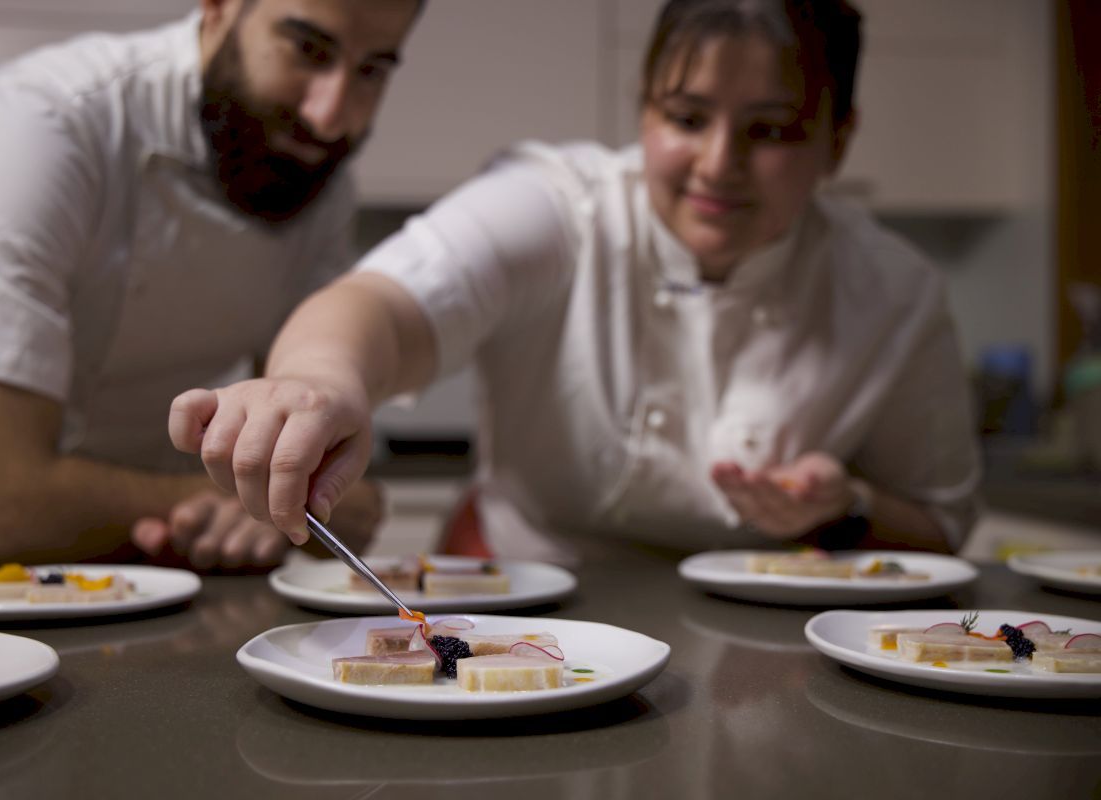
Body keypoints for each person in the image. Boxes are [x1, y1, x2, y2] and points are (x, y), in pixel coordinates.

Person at [169, 0, 981, 564]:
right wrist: (317, 382)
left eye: (769, 131)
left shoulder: (892, 293)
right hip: (522, 599)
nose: (718, 164)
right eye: (686, 118)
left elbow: (939, 528)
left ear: (838, 140)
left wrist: (845, 509)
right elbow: (378, 304)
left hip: (764, 652)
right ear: (643, 111)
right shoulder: (560, 205)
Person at [0, 0, 425, 577]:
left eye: (372, 69)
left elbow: (321, 480)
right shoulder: (38, 128)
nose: (330, 116)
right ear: (220, 9)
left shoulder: (311, 173)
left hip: (154, 583)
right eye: (307, 49)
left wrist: (293, 499)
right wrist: (240, 503)